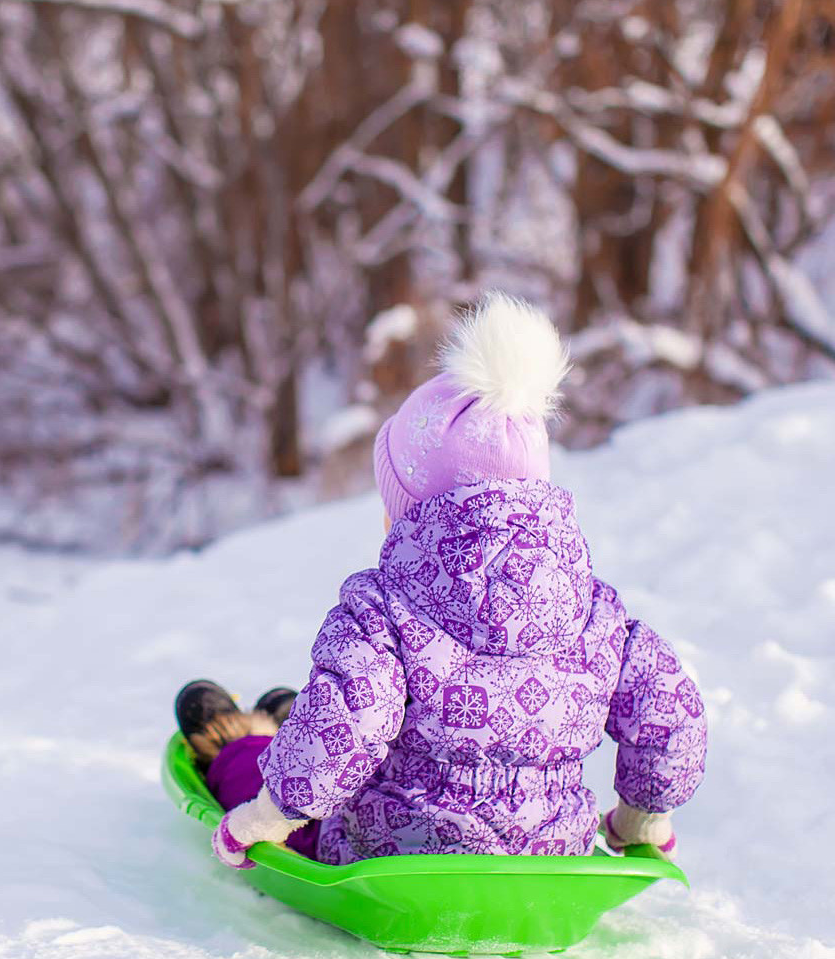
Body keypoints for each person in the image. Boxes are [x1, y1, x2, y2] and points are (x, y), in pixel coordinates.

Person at [175, 292, 707, 869]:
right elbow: (667, 707)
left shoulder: (387, 608)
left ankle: (242, 736)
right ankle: (287, 719)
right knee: (332, 736)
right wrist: (642, 818)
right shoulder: (594, 613)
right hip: (551, 853)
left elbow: (354, 715)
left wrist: (265, 817)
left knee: (283, 765)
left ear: (409, 515)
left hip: (391, 852)